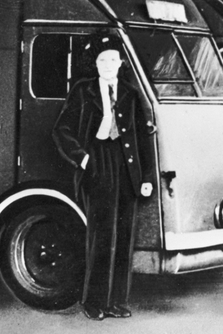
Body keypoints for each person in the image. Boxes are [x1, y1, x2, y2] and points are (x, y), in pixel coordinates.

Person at [53, 34, 156, 321]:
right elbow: (61, 130)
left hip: (127, 169)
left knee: (124, 238)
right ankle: (93, 302)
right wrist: (83, 159)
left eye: (113, 59)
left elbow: (142, 138)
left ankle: (116, 302)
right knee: (101, 237)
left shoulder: (130, 93)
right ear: (95, 64)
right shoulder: (82, 90)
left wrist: (147, 176)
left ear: (121, 63)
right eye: (102, 60)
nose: (108, 64)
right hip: (98, 165)